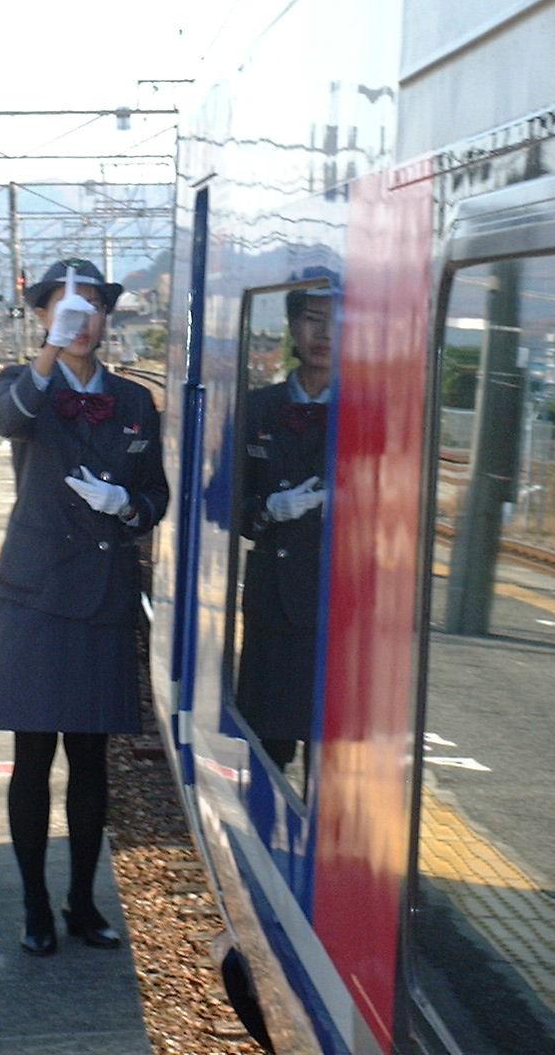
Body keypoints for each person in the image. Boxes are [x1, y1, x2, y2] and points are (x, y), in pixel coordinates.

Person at [0, 257, 168, 955]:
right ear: (41, 317)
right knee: (34, 758)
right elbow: (10, 419)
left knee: (92, 761)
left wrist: (128, 506)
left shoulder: (133, 401)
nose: (81, 317)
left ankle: (83, 902)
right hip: (34, 595)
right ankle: (34, 906)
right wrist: (50, 352)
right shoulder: (23, 386)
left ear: (108, 318)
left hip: (104, 595)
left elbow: (156, 495)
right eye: (64, 307)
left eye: (91, 306)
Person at [236, 277, 335, 793]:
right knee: (267, 748)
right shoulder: (258, 409)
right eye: (312, 318)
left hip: (342, 605)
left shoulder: (372, 411)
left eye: (338, 318)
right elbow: (225, 505)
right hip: (273, 601)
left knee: (334, 756)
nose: (325, 332)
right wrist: (271, 510)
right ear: (293, 326)